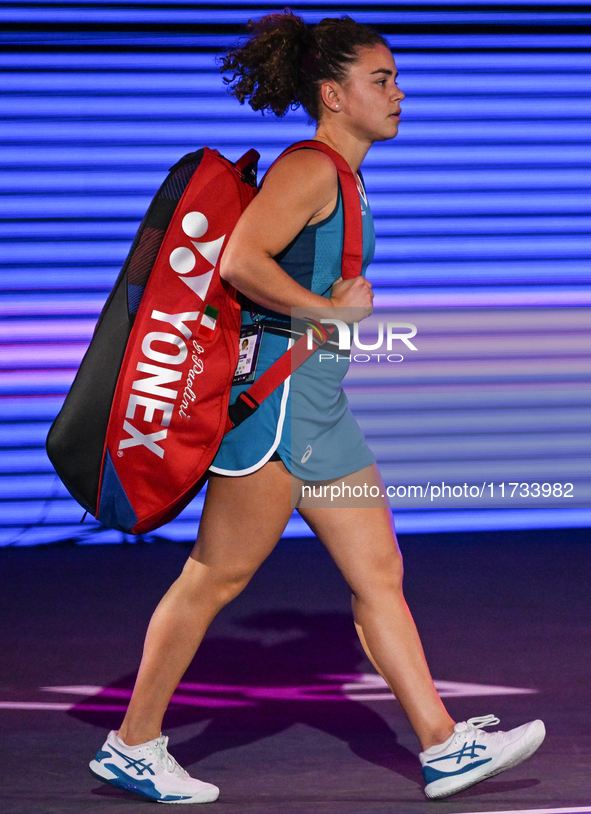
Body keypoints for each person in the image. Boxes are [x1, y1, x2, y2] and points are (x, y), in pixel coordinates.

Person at [89, 11, 545, 804]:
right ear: (333, 94)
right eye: (382, 80)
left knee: (379, 573)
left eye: (394, 78)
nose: (398, 94)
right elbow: (238, 262)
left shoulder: (345, 174)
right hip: (276, 411)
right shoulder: (310, 168)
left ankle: (442, 746)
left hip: (319, 409)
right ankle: (132, 744)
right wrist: (330, 312)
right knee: (213, 577)